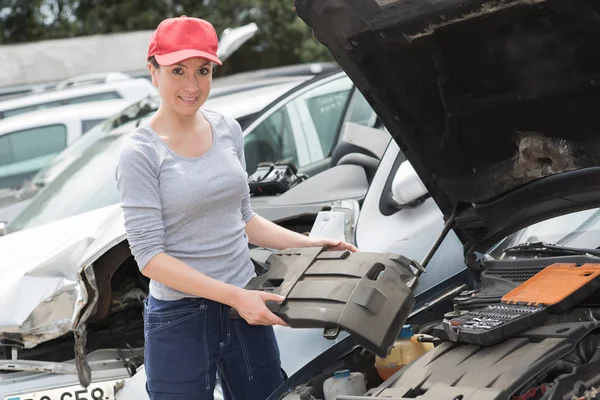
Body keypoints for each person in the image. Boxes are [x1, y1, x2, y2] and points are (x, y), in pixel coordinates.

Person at [116, 16, 358, 400]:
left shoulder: (227, 128)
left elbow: (245, 218)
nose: (192, 85)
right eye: (177, 70)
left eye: (203, 70)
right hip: (181, 317)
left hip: (245, 303)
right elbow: (149, 258)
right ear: (153, 71)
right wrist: (235, 298)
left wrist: (311, 244)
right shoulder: (140, 153)